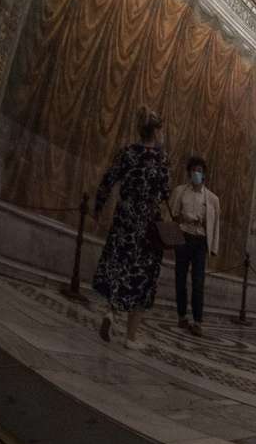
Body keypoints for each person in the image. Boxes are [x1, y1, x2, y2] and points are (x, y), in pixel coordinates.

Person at [93, 107, 170, 350]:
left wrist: (98, 207)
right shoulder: (161, 159)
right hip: (147, 224)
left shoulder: (127, 152)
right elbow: (165, 192)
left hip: (124, 219)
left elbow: (108, 180)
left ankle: (110, 312)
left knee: (120, 265)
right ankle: (131, 337)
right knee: (142, 277)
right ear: (157, 131)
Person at [170, 156, 221, 337]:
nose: (195, 174)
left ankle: (198, 321)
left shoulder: (212, 199)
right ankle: (182, 315)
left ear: (204, 174)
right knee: (180, 279)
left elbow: (215, 226)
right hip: (183, 238)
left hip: (199, 241)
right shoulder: (180, 192)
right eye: (193, 171)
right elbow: (173, 215)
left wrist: (213, 248)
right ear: (189, 173)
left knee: (198, 282)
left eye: (199, 171)